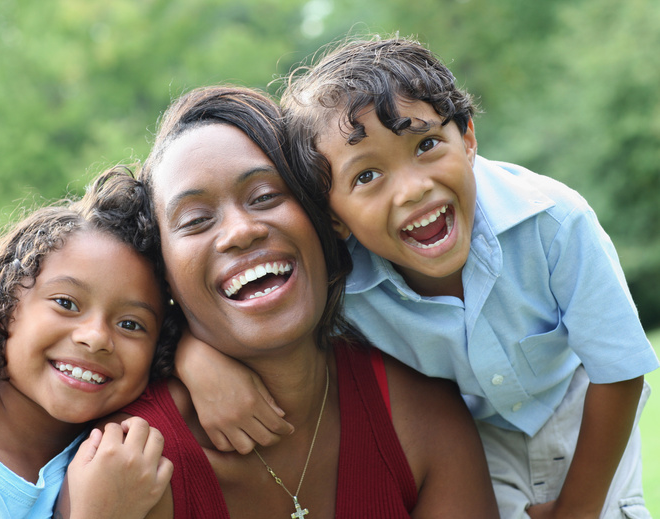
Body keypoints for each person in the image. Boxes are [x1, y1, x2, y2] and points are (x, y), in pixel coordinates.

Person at [177, 36, 660, 518]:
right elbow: (200, 309)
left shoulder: (554, 223)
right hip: (480, 438)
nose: (413, 189)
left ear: (468, 138)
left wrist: (578, 509)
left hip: (587, 413)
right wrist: (194, 357)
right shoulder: (341, 283)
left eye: (427, 144)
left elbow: (619, 372)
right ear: (335, 218)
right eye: (366, 176)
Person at [63, 85, 499, 518]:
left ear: (326, 216)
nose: (240, 231)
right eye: (196, 220)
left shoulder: (422, 418)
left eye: (266, 197)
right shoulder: (125, 470)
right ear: (164, 273)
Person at [0, 169, 178, 518]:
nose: (96, 337)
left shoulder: (112, 442)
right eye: (66, 303)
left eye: (130, 324)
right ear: (5, 305)